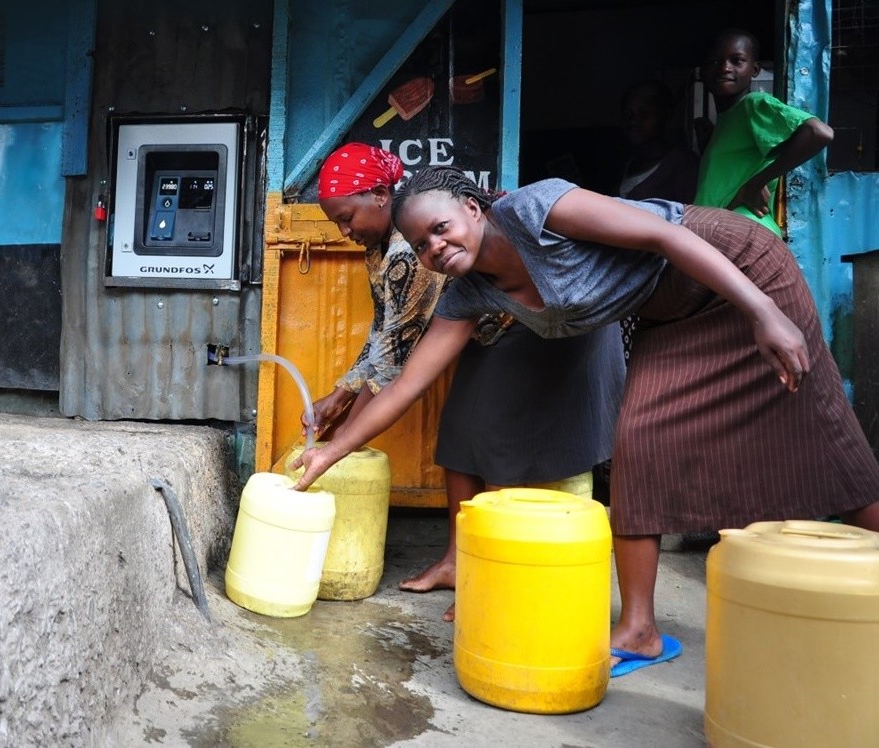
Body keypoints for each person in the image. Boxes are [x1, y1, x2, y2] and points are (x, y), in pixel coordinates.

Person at [291, 165, 879, 675]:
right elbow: (407, 384)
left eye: (440, 229)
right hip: (670, 316)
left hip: (734, 270)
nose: (435, 249)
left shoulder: (535, 208)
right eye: (420, 245)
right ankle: (640, 631)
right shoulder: (466, 293)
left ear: (472, 208)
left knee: (819, 425)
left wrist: (762, 309)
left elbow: (662, 233)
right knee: (638, 441)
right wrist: (332, 450)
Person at [309, 144, 625, 621]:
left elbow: (398, 358)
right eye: (336, 223)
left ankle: (490, 574)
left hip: (536, 321)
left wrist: (340, 442)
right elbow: (388, 328)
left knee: (500, 446)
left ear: (379, 195)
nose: (344, 231)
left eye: (347, 217)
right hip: (483, 325)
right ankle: (456, 563)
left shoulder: (409, 251)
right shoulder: (388, 247)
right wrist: (342, 390)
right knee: (459, 438)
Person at [693, 28, 833, 237]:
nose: (724, 68)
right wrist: (708, 142)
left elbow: (819, 132)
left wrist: (756, 184)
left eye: (737, 60)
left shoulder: (753, 104)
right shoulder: (727, 120)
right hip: (723, 232)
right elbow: (728, 174)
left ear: (755, 70)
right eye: (714, 62)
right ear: (702, 72)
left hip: (740, 231)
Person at [617, 80, 699, 204]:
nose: (633, 121)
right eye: (628, 114)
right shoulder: (629, 165)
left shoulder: (683, 163)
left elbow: (694, 215)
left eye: (644, 114)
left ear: (665, 115)